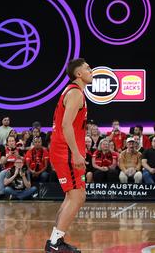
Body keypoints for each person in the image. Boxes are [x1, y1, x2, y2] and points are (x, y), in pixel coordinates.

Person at [45, 58, 93, 252]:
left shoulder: (73, 91)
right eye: (88, 68)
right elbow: (65, 125)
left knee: (74, 197)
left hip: (64, 149)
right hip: (65, 150)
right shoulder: (75, 93)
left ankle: (56, 239)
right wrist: (76, 153)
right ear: (78, 74)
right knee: (77, 196)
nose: (92, 70)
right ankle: (55, 243)